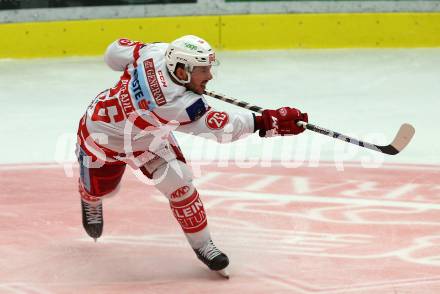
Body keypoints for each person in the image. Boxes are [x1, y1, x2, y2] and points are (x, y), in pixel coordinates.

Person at [76, 35, 308, 278]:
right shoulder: (176, 104)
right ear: (181, 70)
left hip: (147, 141)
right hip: (102, 140)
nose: (209, 76)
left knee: (179, 182)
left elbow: (112, 54)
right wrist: (265, 121)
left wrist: (139, 65)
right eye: (203, 70)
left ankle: (203, 245)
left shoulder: (156, 52)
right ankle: (89, 198)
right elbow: (222, 129)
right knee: (103, 191)